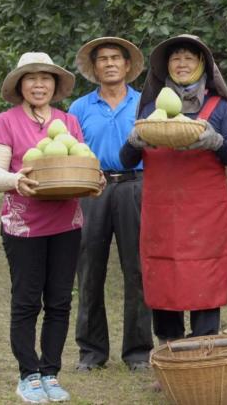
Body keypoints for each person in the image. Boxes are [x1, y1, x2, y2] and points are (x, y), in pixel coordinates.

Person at [0, 52, 104, 403]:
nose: (39, 84)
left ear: (55, 84)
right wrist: (15, 179)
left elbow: (80, 164)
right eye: (31, 78)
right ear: (20, 85)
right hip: (23, 227)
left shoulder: (69, 122)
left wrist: (94, 180)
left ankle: (51, 372)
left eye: (46, 78)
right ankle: (29, 375)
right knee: (26, 301)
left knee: (59, 301)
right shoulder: (5, 122)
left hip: (66, 224)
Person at [120, 34, 227, 347]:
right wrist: (135, 141)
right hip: (162, 214)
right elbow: (127, 160)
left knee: (204, 277)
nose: (182, 63)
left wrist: (216, 141)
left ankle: (203, 352)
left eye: (190, 57)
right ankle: (169, 354)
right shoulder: (151, 109)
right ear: (165, 67)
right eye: (175, 57)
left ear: (203, 64)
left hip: (205, 217)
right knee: (163, 279)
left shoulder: (219, 109)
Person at [70, 37, 153, 372]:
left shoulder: (144, 103)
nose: (109, 63)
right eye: (102, 59)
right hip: (92, 188)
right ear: (95, 68)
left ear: (128, 65)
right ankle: (91, 352)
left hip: (136, 186)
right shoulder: (79, 108)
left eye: (115, 58)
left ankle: (137, 352)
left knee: (137, 270)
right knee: (89, 269)